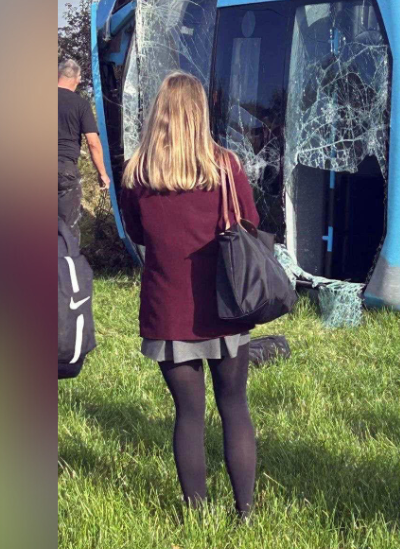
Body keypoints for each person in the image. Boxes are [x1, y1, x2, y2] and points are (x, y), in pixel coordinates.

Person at [119, 72, 260, 519]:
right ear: (201, 111)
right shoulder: (225, 165)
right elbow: (250, 223)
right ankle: (245, 512)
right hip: (226, 304)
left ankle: (196, 515)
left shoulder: (138, 172)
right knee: (235, 407)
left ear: (158, 112)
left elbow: (139, 235)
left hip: (168, 309)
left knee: (188, 416)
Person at [58, 59, 110, 241]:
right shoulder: (80, 105)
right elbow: (93, 143)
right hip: (65, 170)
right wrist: (102, 173)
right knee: (67, 227)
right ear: (77, 79)